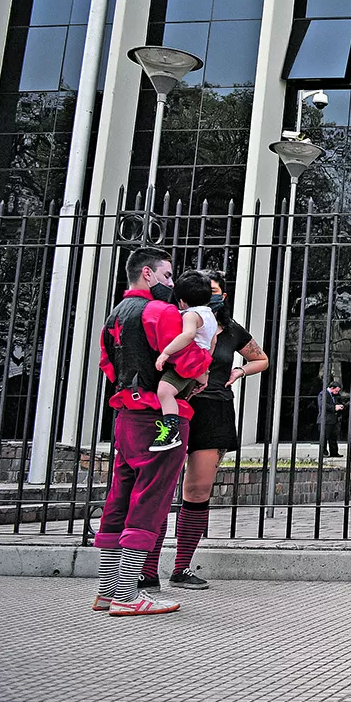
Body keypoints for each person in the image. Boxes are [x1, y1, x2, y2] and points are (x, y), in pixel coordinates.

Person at [92, 247, 209, 616]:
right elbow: (188, 360)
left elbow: (107, 365)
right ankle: (127, 595)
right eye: (168, 276)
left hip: (126, 414)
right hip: (159, 419)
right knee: (150, 502)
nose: (172, 284)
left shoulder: (115, 314)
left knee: (119, 499)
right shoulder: (160, 312)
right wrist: (203, 366)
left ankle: (107, 591)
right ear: (148, 273)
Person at [140, 271, 269, 591]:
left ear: (223, 297)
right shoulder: (179, 320)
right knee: (159, 488)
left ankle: (182, 568)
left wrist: (239, 370)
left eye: (216, 292)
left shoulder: (231, 330)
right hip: (176, 406)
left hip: (215, 410)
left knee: (197, 490)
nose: (212, 296)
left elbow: (262, 359)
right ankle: (146, 570)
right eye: (206, 291)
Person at [153, 270, 218, 450]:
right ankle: (173, 428)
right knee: (179, 397)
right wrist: (205, 367)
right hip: (199, 361)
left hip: (187, 361)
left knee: (164, 392)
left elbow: (188, 335)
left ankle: (170, 432)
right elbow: (213, 340)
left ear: (181, 300)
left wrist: (166, 352)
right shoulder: (210, 315)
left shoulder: (191, 314)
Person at [318, 381, 347, 458]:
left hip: (333, 419)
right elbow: (322, 405)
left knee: (333, 437)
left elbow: (339, 401)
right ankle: (323, 452)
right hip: (325, 419)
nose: (337, 392)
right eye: (336, 390)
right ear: (331, 388)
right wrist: (334, 407)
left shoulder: (335, 395)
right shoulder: (323, 394)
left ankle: (334, 452)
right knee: (324, 437)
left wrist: (341, 406)